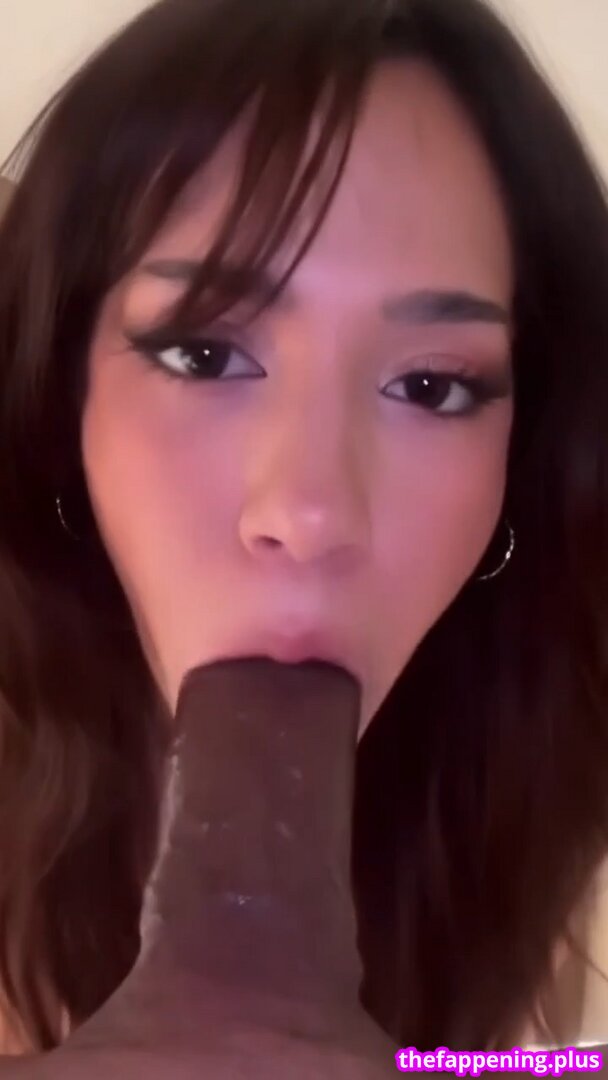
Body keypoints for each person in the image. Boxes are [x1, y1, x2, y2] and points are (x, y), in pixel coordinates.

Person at [0, 0, 607, 1059]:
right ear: (58, 404)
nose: (310, 514)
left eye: (431, 385)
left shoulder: (557, 815)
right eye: (203, 356)